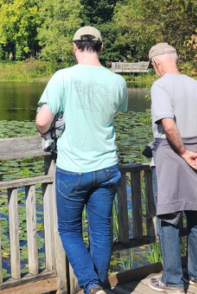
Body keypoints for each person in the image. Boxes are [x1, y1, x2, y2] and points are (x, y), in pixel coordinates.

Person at [35, 26, 128, 294]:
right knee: (100, 232)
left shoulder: (62, 77)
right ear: (101, 48)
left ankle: (91, 286)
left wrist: (46, 130)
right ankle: (98, 288)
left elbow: (43, 121)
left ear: (74, 47)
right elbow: (113, 113)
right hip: (107, 168)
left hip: (73, 169)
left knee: (69, 230)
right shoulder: (117, 82)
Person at [144, 43, 197, 293]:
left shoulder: (161, 85)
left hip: (170, 155)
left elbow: (167, 125)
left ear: (156, 63)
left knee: (169, 219)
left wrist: (183, 152)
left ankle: (173, 281)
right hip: (196, 156)